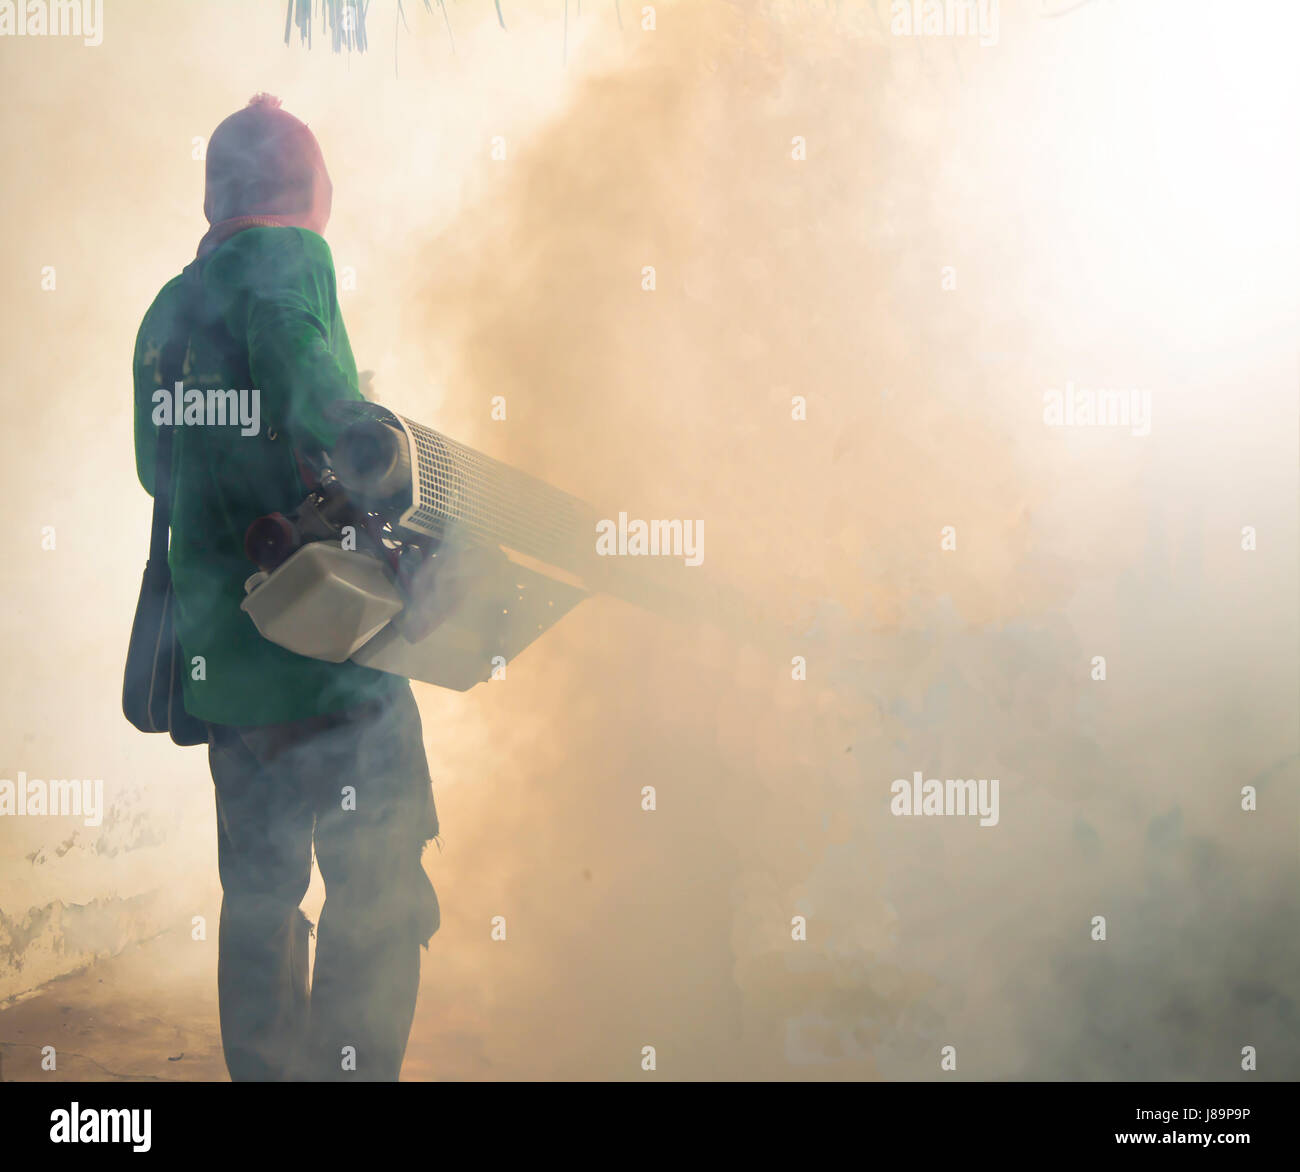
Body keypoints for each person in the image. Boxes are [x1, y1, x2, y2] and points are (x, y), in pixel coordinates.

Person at [132, 93, 440, 1081]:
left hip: (226, 671)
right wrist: (368, 440)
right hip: (327, 662)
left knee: (262, 898)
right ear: (297, 186)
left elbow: (156, 468)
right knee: (380, 882)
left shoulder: (164, 315)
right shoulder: (286, 256)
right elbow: (316, 393)